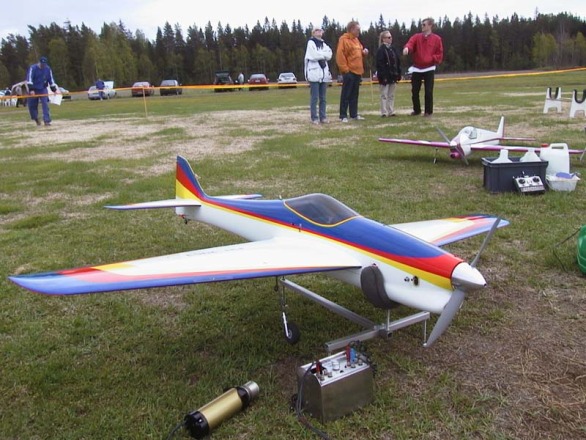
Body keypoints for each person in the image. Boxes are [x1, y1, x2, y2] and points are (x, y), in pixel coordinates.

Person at [403, 17, 443, 117]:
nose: (422, 26)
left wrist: (432, 59)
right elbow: (410, 43)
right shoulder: (416, 37)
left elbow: (439, 53)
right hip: (417, 68)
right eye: (422, 24)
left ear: (430, 25)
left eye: (424, 24)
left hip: (429, 68)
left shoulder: (437, 39)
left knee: (428, 91)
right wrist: (407, 48)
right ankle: (416, 110)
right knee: (414, 91)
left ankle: (428, 112)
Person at [336, 21, 368, 122]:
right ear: (352, 29)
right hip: (349, 71)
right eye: (357, 29)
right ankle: (343, 115)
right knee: (346, 94)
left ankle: (354, 114)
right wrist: (345, 70)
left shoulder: (356, 40)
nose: (359, 31)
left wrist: (363, 52)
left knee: (355, 94)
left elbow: (359, 52)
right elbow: (340, 55)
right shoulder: (344, 40)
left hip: (358, 71)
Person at [304, 27, 333, 124]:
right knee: (315, 97)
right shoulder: (310, 43)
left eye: (320, 30)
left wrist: (321, 54)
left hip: (323, 75)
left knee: (323, 98)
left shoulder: (324, 44)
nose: (319, 31)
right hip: (314, 74)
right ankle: (314, 118)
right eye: (317, 30)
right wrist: (323, 55)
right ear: (313, 33)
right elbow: (313, 56)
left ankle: (323, 117)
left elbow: (329, 54)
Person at [375, 30, 402, 117]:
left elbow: (397, 62)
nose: (391, 39)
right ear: (383, 39)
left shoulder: (393, 49)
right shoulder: (381, 50)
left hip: (393, 75)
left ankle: (391, 111)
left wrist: (398, 73)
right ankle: (384, 112)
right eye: (388, 37)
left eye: (391, 37)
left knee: (391, 95)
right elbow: (380, 65)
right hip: (384, 76)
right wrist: (383, 76)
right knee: (384, 95)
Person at [26, 56, 57, 126]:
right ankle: (36, 118)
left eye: (44, 64)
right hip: (33, 89)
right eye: (42, 64)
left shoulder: (48, 69)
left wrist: (54, 89)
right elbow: (29, 79)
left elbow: (51, 79)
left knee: (45, 104)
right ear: (39, 62)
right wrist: (31, 89)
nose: (43, 66)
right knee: (32, 106)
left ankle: (47, 120)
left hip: (43, 89)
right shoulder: (33, 68)